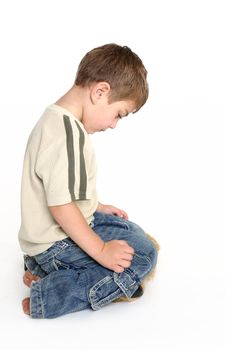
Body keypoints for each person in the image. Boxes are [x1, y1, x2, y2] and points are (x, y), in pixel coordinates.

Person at [18, 43, 158, 319]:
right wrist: (103, 250)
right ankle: (50, 295)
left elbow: (63, 189)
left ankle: (38, 269)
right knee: (144, 255)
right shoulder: (66, 135)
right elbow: (60, 207)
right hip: (55, 244)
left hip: (52, 237)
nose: (113, 125)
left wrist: (97, 205)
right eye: (118, 114)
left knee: (127, 229)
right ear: (100, 91)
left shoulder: (59, 122)